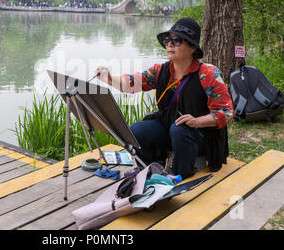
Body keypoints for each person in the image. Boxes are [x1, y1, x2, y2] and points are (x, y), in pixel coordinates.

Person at [96, 18, 234, 179]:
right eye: (168, 40)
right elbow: (132, 84)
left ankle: (180, 176)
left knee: (180, 130)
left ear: (192, 48)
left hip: (200, 134)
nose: (169, 44)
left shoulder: (208, 74)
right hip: (170, 128)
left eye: (177, 40)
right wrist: (109, 78)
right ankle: (150, 172)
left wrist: (198, 121)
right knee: (137, 130)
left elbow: (227, 112)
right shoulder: (161, 70)